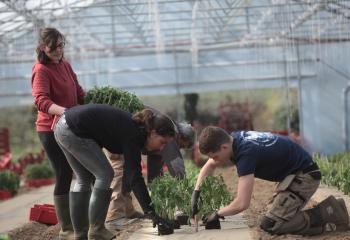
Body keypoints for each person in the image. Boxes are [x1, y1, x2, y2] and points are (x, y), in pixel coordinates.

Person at [191, 126, 349, 235]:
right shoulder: (233, 139)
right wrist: (196, 193)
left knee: (271, 224)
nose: (215, 161)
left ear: (224, 147)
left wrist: (218, 213)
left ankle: (330, 213)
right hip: (293, 173)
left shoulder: (246, 155)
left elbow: (242, 203)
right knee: (274, 214)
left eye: (215, 156)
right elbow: (209, 166)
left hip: (305, 176)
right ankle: (330, 210)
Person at [54, 104, 176, 240]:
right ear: (153, 133)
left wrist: (127, 189)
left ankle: (80, 235)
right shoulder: (134, 135)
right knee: (105, 174)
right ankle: (96, 230)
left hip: (63, 126)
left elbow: (130, 171)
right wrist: (151, 213)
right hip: (72, 130)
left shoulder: (135, 129)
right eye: (162, 142)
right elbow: (135, 176)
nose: (161, 147)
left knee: (84, 178)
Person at [31, 27, 85, 240]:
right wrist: (65, 112)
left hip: (70, 125)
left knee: (80, 172)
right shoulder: (41, 70)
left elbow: (78, 92)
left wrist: (94, 104)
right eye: (54, 47)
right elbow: (41, 100)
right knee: (63, 173)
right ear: (43, 48)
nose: (59, 51)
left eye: (62, 46)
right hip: (49, 129)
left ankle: (80, 222)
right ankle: (66, 229)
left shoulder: (65, 65)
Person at [105, 122, 195, 229]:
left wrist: (156, 207)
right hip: (118, 134)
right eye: (181, 146)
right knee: (122, 167)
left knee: (129, 170)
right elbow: (176, 166)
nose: (178, 149)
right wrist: (188, 197)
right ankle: (115, 216)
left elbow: (155, 173)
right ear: (180, 137)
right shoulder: (170, 135)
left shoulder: (161, 140)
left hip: (125, 136)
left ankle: (128, 211)